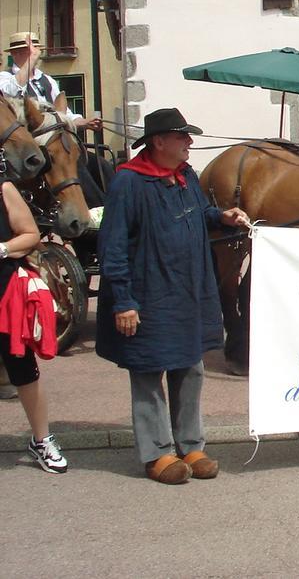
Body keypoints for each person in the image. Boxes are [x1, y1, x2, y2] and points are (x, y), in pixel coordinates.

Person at [97, 108, 250, 483]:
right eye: (182, 137)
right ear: (158, 141)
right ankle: (157, 453)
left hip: (188, 291)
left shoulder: (184, 175)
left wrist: (220, 216)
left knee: (191, 367)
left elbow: (196, 213)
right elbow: (112, 246)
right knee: (149, 371)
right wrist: (123, 302)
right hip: (149, 294)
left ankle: (190, 445)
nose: (189, 143)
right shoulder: (128, 183)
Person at [0, 172, 67, 473]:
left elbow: (29, 234)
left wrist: (2, 248)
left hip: (4, 292)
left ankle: (41, 439)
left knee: (23, 368)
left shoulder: (3, 188)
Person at [0, 32, 101, 133]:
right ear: (14, 54)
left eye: (36, 50)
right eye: (30, 50)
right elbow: (11, 91)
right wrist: (32, 58)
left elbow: (64, 115)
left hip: (50, 137)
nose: (36, 54)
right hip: (25, 140)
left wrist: (84, 122)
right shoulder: (5, 77)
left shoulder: (48, 80)